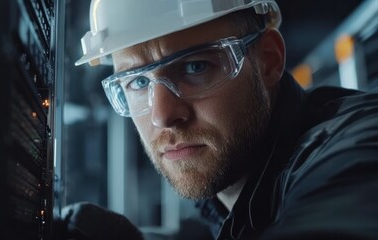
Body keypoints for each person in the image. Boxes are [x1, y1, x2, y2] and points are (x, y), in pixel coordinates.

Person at [56, 0, 378, 239]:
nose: (163, 116)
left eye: (195, 67)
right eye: (138, 83)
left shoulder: (358, 146)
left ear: (268, 60)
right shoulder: (236, 198)